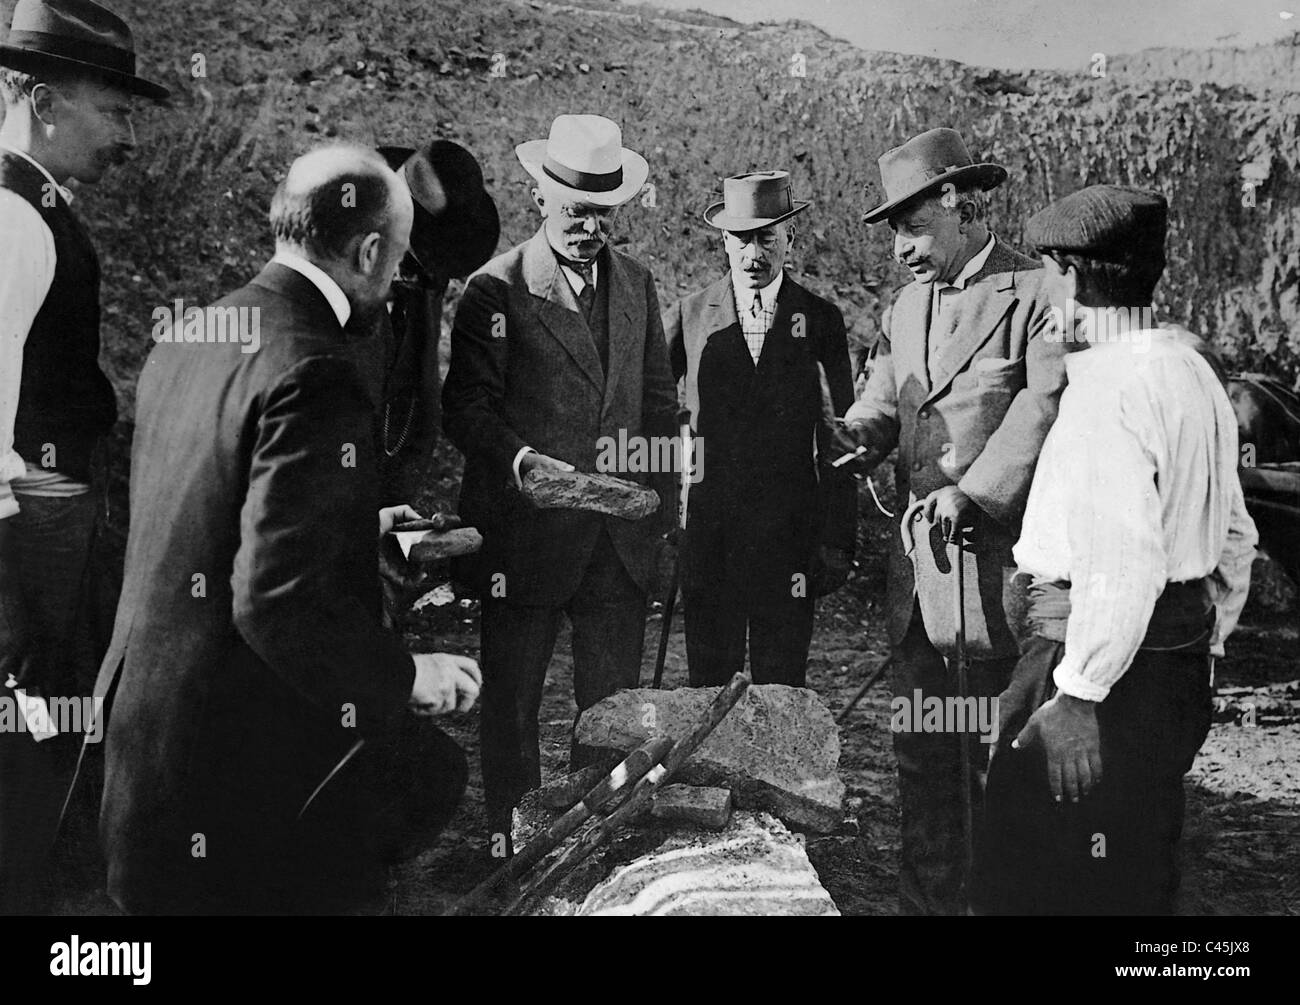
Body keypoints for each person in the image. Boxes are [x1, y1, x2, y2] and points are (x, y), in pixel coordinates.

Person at [93, 144, 480, 914]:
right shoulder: (318, 368)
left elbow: (203, 520)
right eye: (399, 260)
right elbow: (275, 602)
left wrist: (344, 527)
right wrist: (411, 677)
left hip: (149, 757)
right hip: (243, 780)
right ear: (370, 250)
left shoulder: (192, 334)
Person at [972, 185, 1258, 915]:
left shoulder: (1110, 388)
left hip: (1091, 669)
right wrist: (1200, 647)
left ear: (1072, 276)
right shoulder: (1192, 371)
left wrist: (1079, 694)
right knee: (1133, 873)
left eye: (1047, 271)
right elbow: (1235, 536)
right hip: (1169, 664)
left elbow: (1120, 563)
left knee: (1035, 877)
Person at [831, 127, 1066, 915]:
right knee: (922, 766)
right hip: (919, 593)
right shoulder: (904, 308)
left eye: (910, 225)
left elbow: (1043, 404)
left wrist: (979, 491)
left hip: (1003, 592)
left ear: (956, 202)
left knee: (999, 767)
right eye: (892, 231)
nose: (899, 247)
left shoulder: (1035, 294)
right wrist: (859, 435)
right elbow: (886, 393)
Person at [442, 114, 677, 851]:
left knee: (607, 709)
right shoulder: (496, 290)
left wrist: (664, 521)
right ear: (542, 198)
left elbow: (662, 411)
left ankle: (591, 837)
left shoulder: (639, 287)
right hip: (526, 539)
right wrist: (520, 462)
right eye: (575, 208)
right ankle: (512, 838)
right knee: (512, 701)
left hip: (617, 544)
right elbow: (466, 408)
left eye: (602, 210)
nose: (589, 225)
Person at [0, 0, 168, 914]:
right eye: (115, 110)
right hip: (30, 537)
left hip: (53, 526)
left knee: (51, 768)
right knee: (24, 773)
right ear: (40, 98)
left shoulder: (37, 208)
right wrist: (18, 616)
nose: (129, 137)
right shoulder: (12, 220)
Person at [665, 170, 856, 687]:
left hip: (788, 538)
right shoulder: (689, 315)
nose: (753, 254)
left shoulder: (820, 319)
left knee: (781, 688)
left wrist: (838, 539)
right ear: (723, 241)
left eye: (766, 238)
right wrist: (660, 513)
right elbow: (651, 407)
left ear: (789, 239)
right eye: (741, 239)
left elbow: (842, 436)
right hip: (710, 537)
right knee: (709, 685)